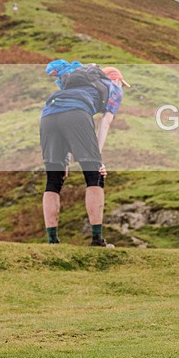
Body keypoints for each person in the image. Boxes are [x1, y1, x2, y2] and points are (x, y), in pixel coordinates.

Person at [39, 65, 129, 246]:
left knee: (53, 180)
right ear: (116, 79)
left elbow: (63, 118)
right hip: (76, 114)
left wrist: (64, 161)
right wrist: (98, 159)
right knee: (95, 176)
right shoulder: (114, 88)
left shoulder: (73, 85)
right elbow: (105, 123)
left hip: (47, 115)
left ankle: (52, 241)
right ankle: (97, 240)